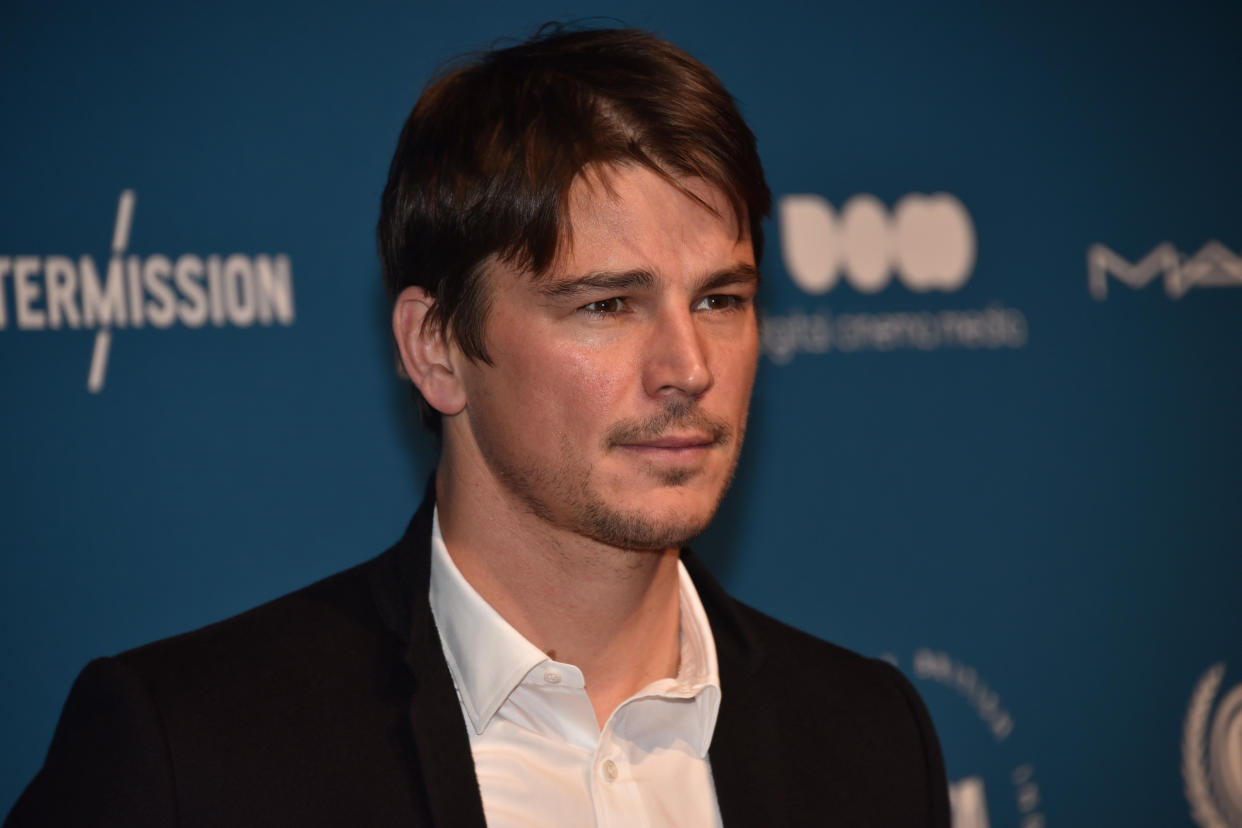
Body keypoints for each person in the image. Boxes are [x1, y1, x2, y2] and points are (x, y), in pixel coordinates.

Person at [6, 25, 950, 828]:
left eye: (720, 299)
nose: (689, 369)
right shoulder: (191, 754)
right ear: (436, 349)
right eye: (607, 305)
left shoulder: (868, 738)